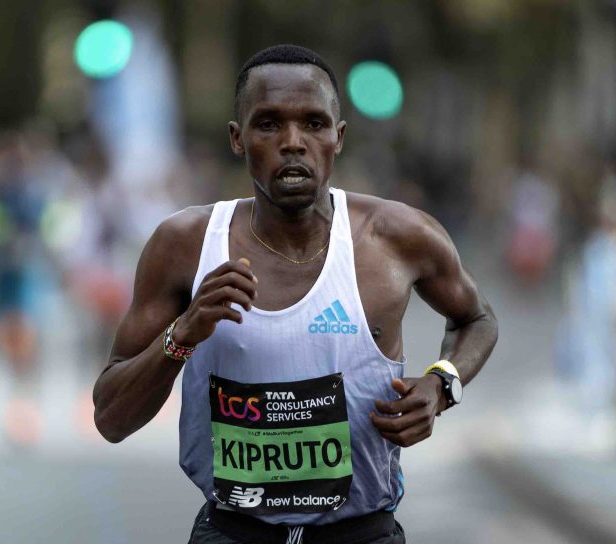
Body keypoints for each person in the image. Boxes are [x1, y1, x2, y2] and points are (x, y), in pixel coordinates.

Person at [93, 44, 498, 544]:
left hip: (361, 534)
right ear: (237, 139)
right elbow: (111, 418)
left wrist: (441, 385)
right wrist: (184, 333)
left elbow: (477, 318)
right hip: (234, 533)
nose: (292, 142)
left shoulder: (397, 236)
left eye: (313, 124)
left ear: (338, 137)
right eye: (268, 124)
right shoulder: (186, 245)